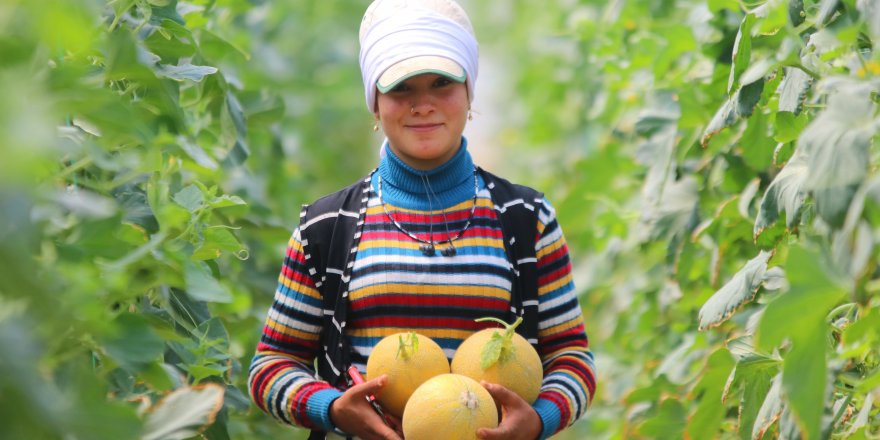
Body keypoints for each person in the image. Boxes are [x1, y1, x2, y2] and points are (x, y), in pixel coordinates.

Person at [248, 0, 596, 438]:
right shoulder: (327, 226)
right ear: (375, 102)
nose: (423, 105)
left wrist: (538, 421)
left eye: (441, 84)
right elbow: (271, 366)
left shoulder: (527, 219)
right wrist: (333, 408)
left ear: (470, 92)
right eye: (401, 89)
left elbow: (573, 360)